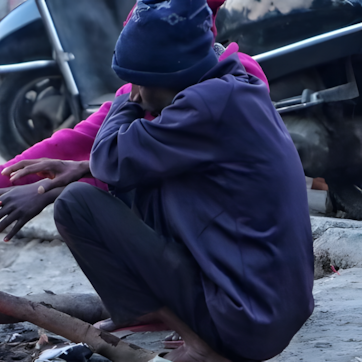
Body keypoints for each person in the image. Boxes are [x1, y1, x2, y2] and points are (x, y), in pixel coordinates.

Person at [51, 0, 314, 360]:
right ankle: (182, 322)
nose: (138, 91)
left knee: (76, 204)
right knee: (140, 184)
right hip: (268, 310)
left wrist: (129, 101)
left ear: (169, 77)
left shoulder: (207, 105)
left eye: (140, 81)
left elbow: (107, 158)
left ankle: (198, 343)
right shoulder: (233, 85)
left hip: (245, 319)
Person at [0, 0, 268, 254]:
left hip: (243, 261)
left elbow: (139, 169)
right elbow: (75, 143)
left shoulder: (225, 94)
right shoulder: (151, 88)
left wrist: (46, 192)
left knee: (94, 200)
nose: (132, 92)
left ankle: (190, 305)